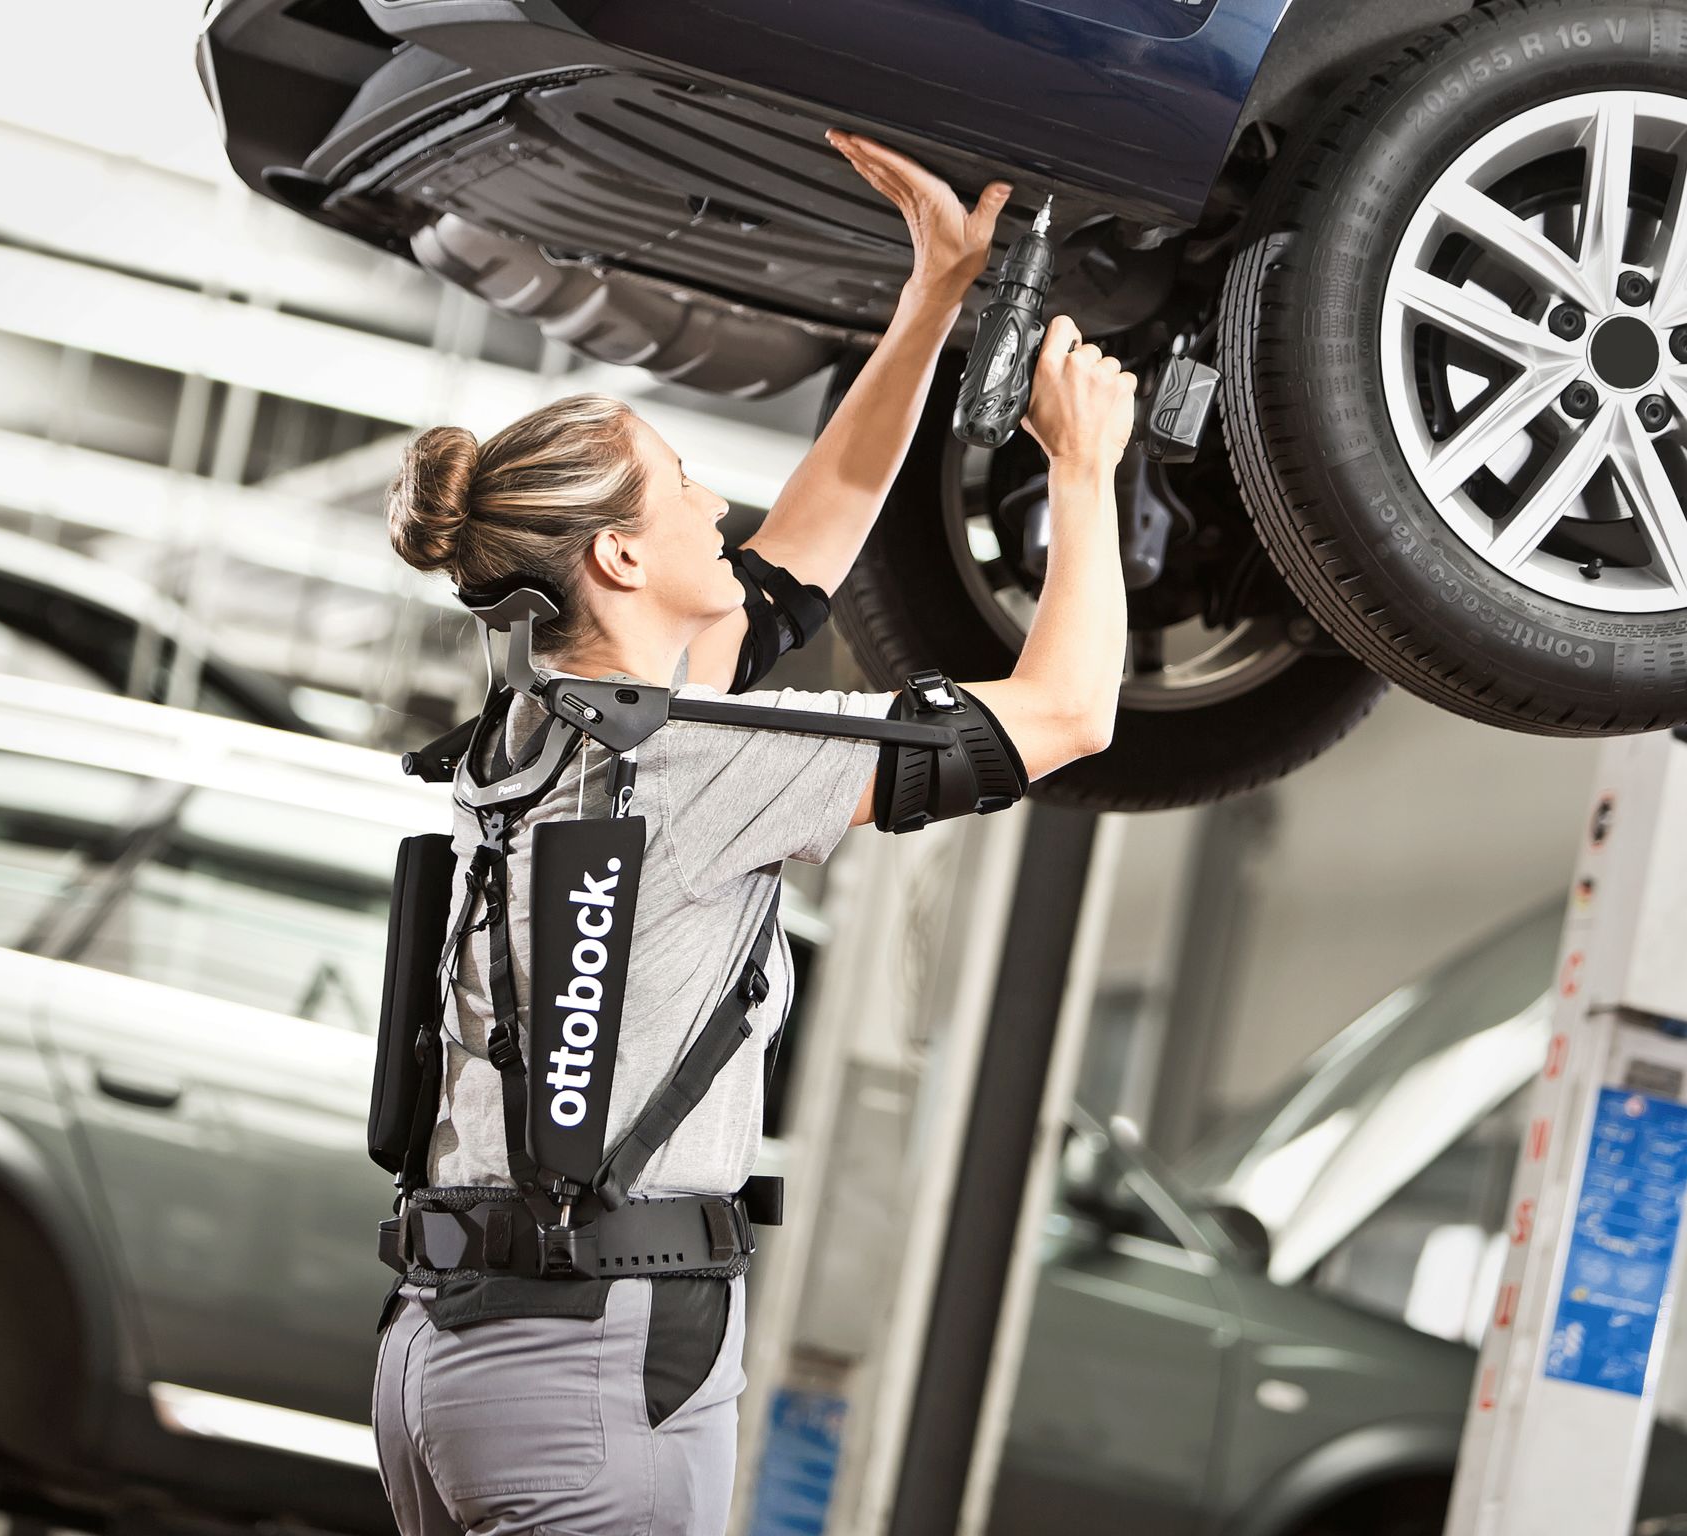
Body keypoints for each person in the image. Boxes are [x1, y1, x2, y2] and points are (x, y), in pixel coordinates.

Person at [371, 129, 1135, 1536]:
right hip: (586, 1372)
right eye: (681, 485)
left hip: (459, 1354)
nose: (717, 504)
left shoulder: (546, 735)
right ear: (618, 557)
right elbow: (1069, 712)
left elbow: (794, 564)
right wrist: (1084, 474)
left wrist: (935, 295)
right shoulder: (693, 766)